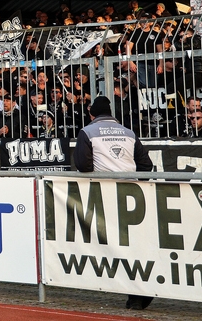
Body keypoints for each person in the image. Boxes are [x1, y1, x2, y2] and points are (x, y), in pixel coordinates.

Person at [73, 97, 153, 310]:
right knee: (132, 245)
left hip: (104, 195)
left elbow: (82, 165)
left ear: (92, 114)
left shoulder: (87, 132)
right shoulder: (129, 132)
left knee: (114, 246)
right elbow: (146, 165)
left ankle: (136, 292)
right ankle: (138, 292)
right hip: (132, 195)